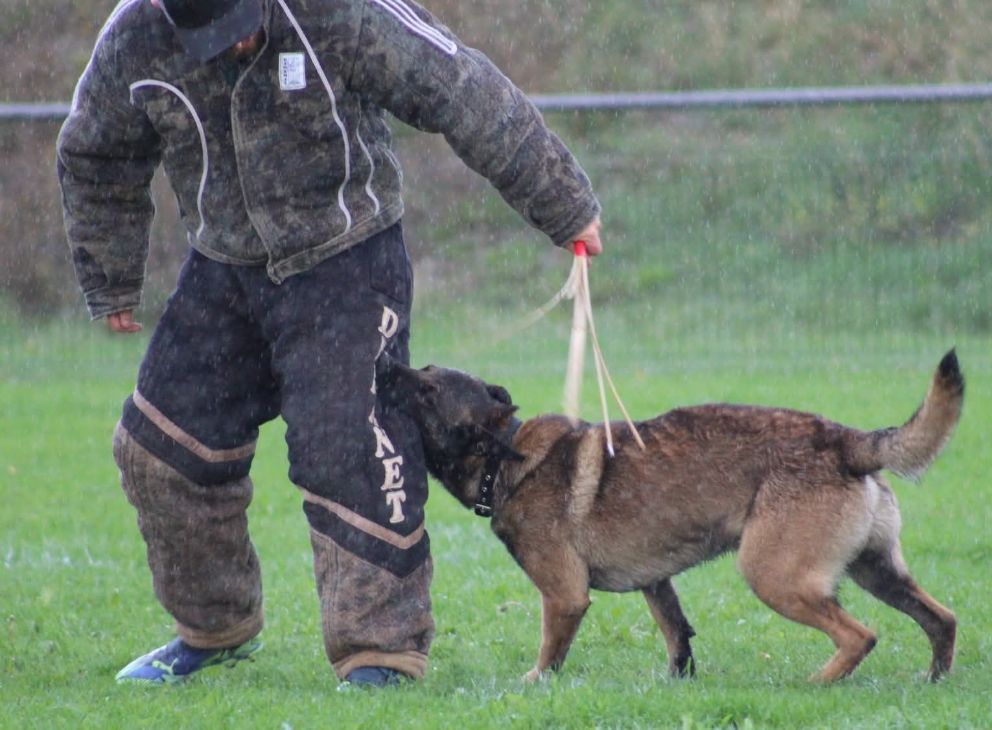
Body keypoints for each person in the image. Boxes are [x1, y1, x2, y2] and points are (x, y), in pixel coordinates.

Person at [57, 0, 602, 688]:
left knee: (351, 449)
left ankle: (380, 653)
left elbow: (463, 89)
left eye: (243, 26)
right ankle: (214, 628)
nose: (237, 46)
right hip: (223, 263)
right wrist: (110, 278)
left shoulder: (341, 13)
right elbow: (95, 152)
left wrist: (566, 205)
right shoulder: (133, 39)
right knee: (160, 449)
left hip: (348, 258)